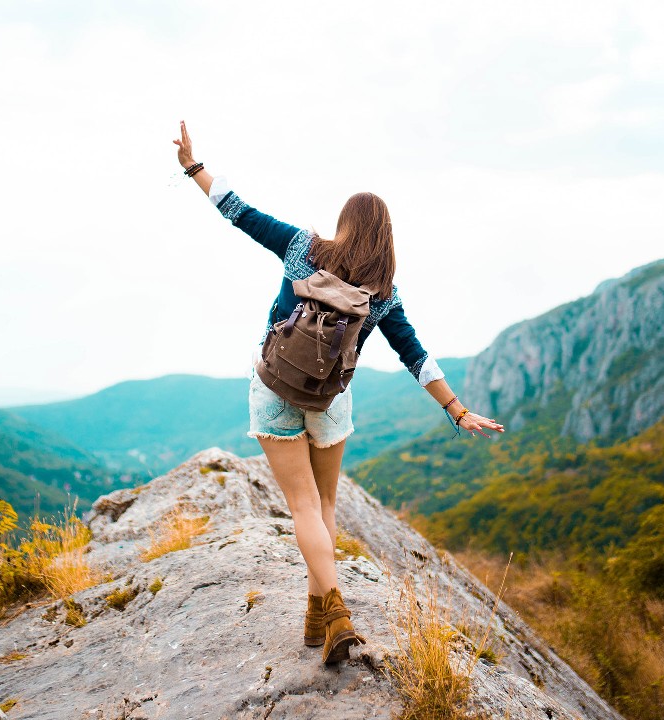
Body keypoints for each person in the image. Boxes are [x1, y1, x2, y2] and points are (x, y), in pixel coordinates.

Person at [172, 121, 504, 664]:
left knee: (301, 506)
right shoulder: (383, 295)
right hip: (330, 401)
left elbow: (238, 210)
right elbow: (416, 358)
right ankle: (317, 617)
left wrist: (192, 166)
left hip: (275, 387)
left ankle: (336, 614)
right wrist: (457, 409)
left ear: (345, 224)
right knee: (324, 504)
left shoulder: (303, 247)